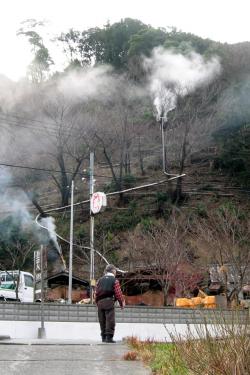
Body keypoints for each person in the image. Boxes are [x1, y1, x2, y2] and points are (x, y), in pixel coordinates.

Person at [95, 264, 125, 343]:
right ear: (113, 271)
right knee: (110, 319)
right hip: (109, 301)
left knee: (102, 320)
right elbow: (118, 293)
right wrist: (121, 303)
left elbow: (96, 293)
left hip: (100, 302)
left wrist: (97, 303)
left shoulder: (99, 280)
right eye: (115, 271)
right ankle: (109, 338)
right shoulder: (115, 280)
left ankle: (103, 337)